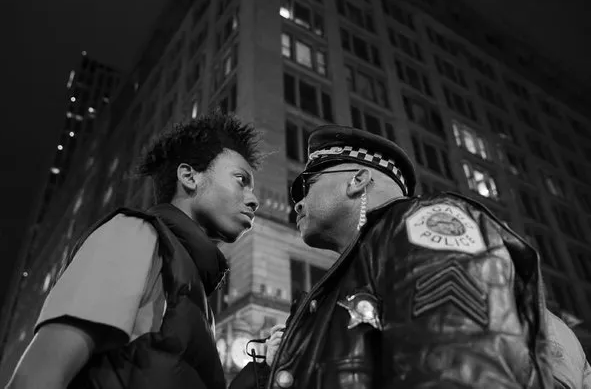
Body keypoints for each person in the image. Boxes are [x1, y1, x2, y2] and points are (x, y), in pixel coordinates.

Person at [236, 124, 555, 389]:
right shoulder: (345, 279)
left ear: (357, 180)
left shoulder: (424, 222)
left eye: (307, 185)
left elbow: (463, 370)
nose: (299, 203)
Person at [6, 111, 263, 389]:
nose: (254, 200)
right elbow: (38, 376)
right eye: (241, 180)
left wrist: (263, 370)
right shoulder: (135, 233)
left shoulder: (195, 289)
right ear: (189, 177)